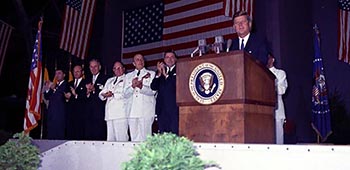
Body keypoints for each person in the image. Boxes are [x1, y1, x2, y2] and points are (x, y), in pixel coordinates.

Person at [125, 54, 156, 141]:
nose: (140, 61)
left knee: (146, 140)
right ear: (133, 63)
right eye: (138, 59)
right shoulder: (128, 76)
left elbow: (153, 92)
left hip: (145, 111)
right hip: (132, 112)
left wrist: (141, 87)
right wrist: (132, 86)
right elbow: (125, 94)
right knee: (133, 139)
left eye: (142, 59)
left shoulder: (152, 74)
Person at [150, 50, 179, 135]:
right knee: (163, 135)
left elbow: (174, 85)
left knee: (174, 135)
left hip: (174, 109)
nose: (169, 59)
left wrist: (165, 74)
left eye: (172, 57)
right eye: (167, 57)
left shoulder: (180, 69)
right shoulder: (160, 72)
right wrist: (159, 73)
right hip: (162, 109)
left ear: (176, 59)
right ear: (164, 60)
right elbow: (153, 87)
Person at [99, 61, 129, 141]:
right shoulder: (110, 80)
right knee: (110, 139)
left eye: (119, 68)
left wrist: (113, 94)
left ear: (123, 69)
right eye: (115, 68)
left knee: (121, 139)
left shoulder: (127, 79)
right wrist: (104, 95)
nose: (117, 70)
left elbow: (126, 93)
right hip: (109, 114)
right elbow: (101, 92)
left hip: (120, 114)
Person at [267, 54, 288, 144]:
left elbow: (281, 90)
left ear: (272, 59)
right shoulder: (258, 72)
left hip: (277, 111)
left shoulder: (280, 73)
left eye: (268, 58)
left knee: (278, 140)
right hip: (262, 112)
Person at [85, 59, 108, 140]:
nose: (93, 69)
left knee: (99, 136)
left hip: (100, 113)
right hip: (88, 114)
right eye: (91, 67)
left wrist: (94, 89)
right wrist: (87, 92)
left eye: (95, 66)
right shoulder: (86, 80)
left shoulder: (105, 79)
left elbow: (105, 95)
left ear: (100, 67)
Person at [43, 68, 69, 139]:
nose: (57, 75)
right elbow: (46, 96)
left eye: (59, 73)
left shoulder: (67, 85)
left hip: (60, 115)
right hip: (51, 115)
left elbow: (61, 96)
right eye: (56, 73)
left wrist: (54, 89)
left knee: (59, 136)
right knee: (51, 135)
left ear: (64, 75)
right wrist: (48, 89)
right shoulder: (54, 85)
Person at [65, 65, 87, 140]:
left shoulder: (86, 83)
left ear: (82, 72)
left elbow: (85, 98)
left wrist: (75, 95)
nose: (76, 73)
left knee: (79, 136)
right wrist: (66, 98)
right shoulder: (69, 83)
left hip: (81, 115)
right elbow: (65, 97)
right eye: (74, 71)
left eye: (78, 71)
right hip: (70, 114)